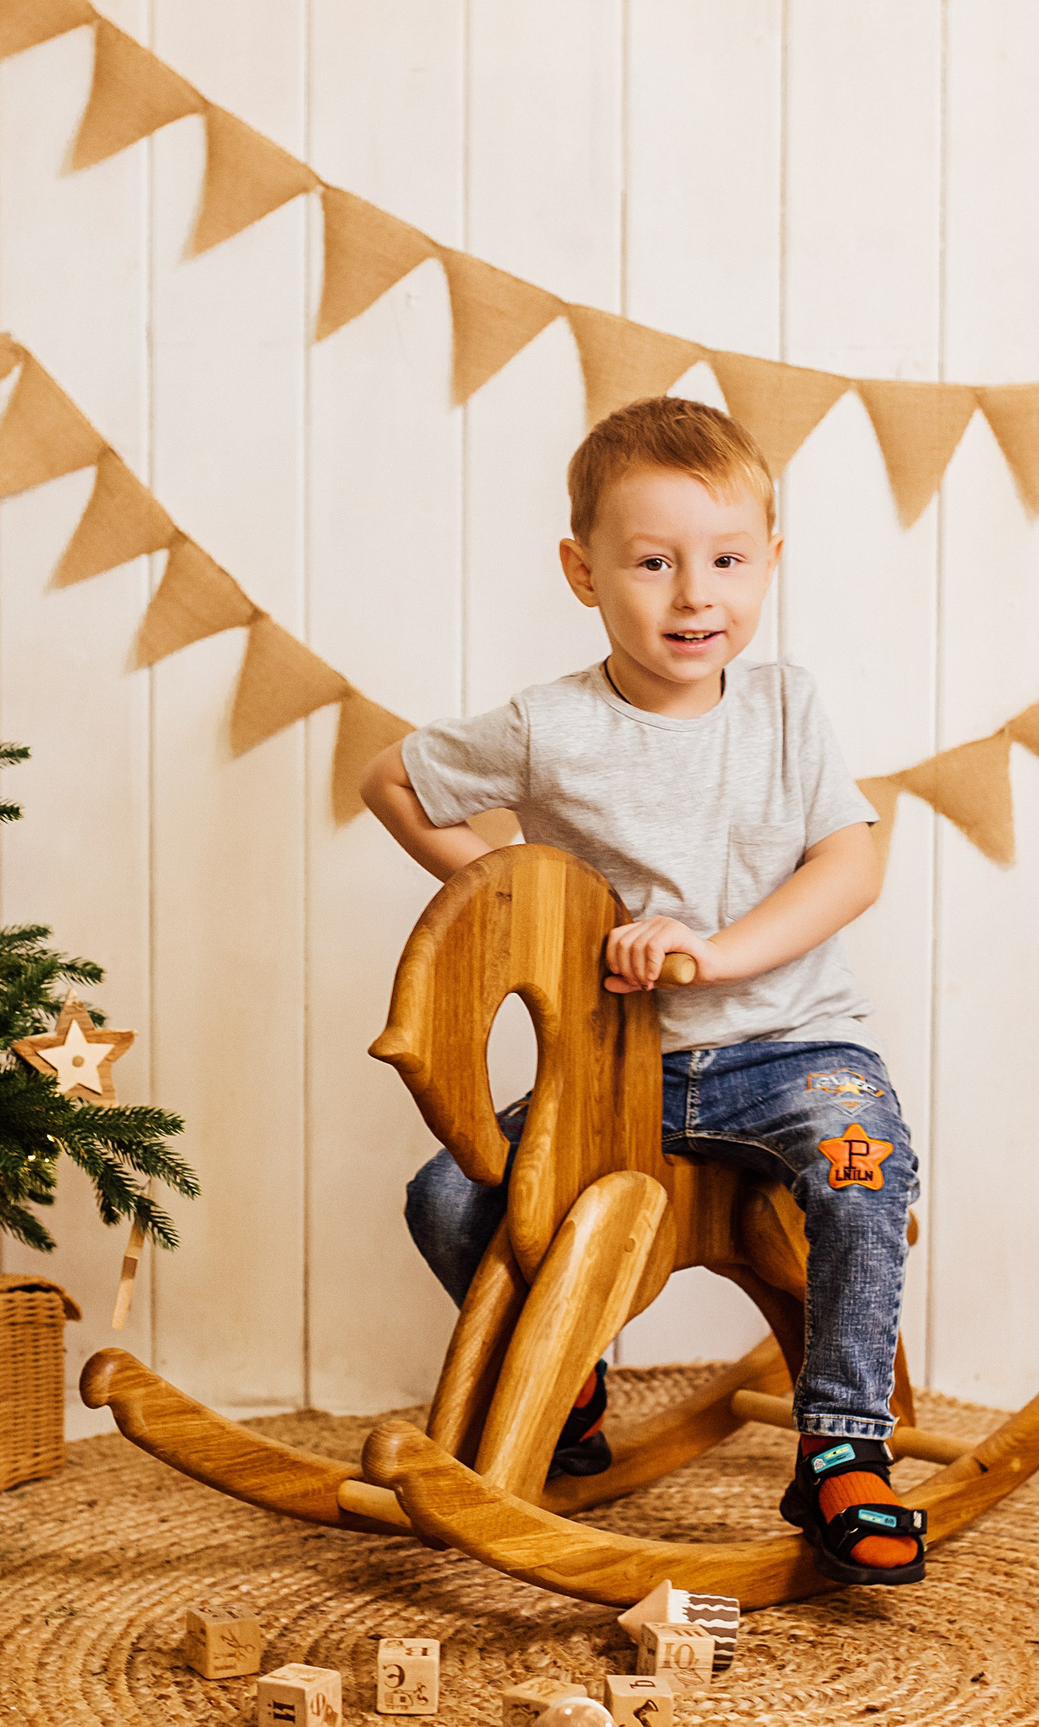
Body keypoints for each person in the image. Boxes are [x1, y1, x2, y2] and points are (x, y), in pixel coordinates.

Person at [359, 395, 922, 1587]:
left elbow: (851, 861)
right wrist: (548, 916)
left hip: (789, 1044)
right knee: (446, 1202)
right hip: (616, 1077)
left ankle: (841, 1446)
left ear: (770, 563)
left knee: (863, 1163)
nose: (693, 598)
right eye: (654, 563)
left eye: (726, 561)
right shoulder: (547, 727)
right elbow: (390, 783)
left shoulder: (786, 709)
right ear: (583, 571)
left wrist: (714, 954)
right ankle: (572, 1372)